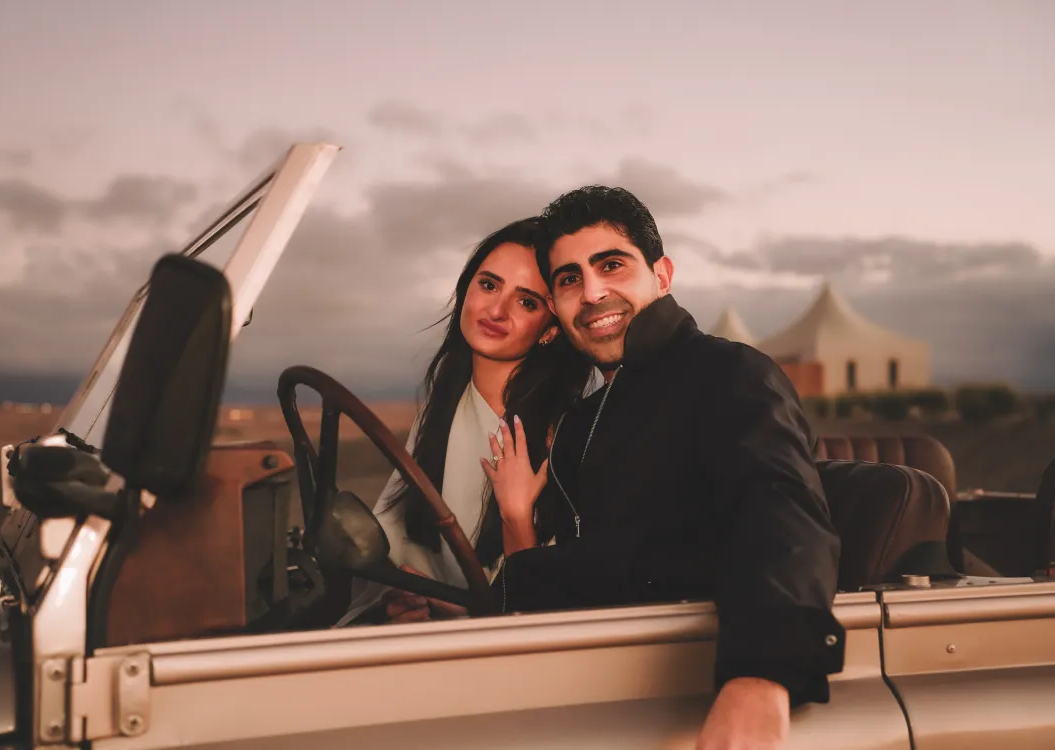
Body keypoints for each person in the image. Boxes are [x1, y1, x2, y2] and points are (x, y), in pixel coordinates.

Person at [484, 187, 846, 750]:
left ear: (662, 274)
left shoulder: (726, 372)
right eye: (570, 279)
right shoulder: (580, 423)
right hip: (591, 688)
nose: (592, 292)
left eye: (611, 265)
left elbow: (778, 508)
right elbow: (589, 567)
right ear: (556, 303)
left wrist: (760, 677)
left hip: (682, 689)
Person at [337, 217, 593, 626]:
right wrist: (395, 603)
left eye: (527, 302)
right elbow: (393, 540)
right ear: (465, 289)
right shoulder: (444, 405)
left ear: (550, 330)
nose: (496, 310)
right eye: (489, 285)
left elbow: (540, 614)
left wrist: (515, 514)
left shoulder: (560, 438)